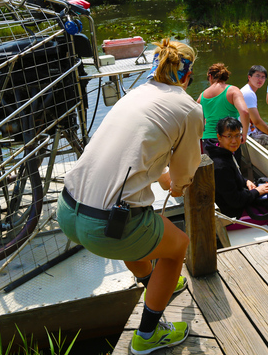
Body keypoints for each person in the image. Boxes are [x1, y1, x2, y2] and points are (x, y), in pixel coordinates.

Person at [57, 39, 202, 354]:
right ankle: (148, 335)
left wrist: (162, 177)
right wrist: (177, 185)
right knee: (177, 246)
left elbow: (132, 156)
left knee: (140, 225)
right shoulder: (189, 108)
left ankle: (156, 284)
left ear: (154, 68)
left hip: (68, 211)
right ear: (187, 77)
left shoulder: (135, 94)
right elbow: (184, 175)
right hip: (109, 228)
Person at [206, 117, 268, 235]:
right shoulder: (221, 165)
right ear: (219, 137)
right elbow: (235, 201)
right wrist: (257, 192)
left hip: (231, 209)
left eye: (237, 135)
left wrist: (245, 182)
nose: (234, 140)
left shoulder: (222, 152)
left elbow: (231, 179)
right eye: (229, 136)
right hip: (229, 217)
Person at [197, 63, 250, 151]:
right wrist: (244, 134)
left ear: (210, 77)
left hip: (207, 140)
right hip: (229, 139)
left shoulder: (202, 96)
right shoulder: (233, 91)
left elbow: (196, 120)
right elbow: (245, 112)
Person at [240, 65, 268, 147]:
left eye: (263, 77)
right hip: (248, 136)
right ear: (249, 77)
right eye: (257, 76)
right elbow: (257, 122)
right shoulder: (248, 93)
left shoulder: (248, 91)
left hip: (248, 131)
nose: (260, 79)